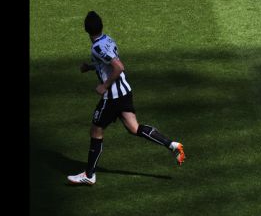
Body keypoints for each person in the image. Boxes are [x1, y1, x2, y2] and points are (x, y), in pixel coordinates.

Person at [67, 11, 185, 185]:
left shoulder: (96, 47)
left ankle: (89, 174)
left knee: (96, 130)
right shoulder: (108, 39)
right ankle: (172, 145)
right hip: (125, 91)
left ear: (86, 29)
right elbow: (107, 62)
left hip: (112, 97)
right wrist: (90, 67)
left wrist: (104, 86)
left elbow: (118, 66)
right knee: (134, 128)